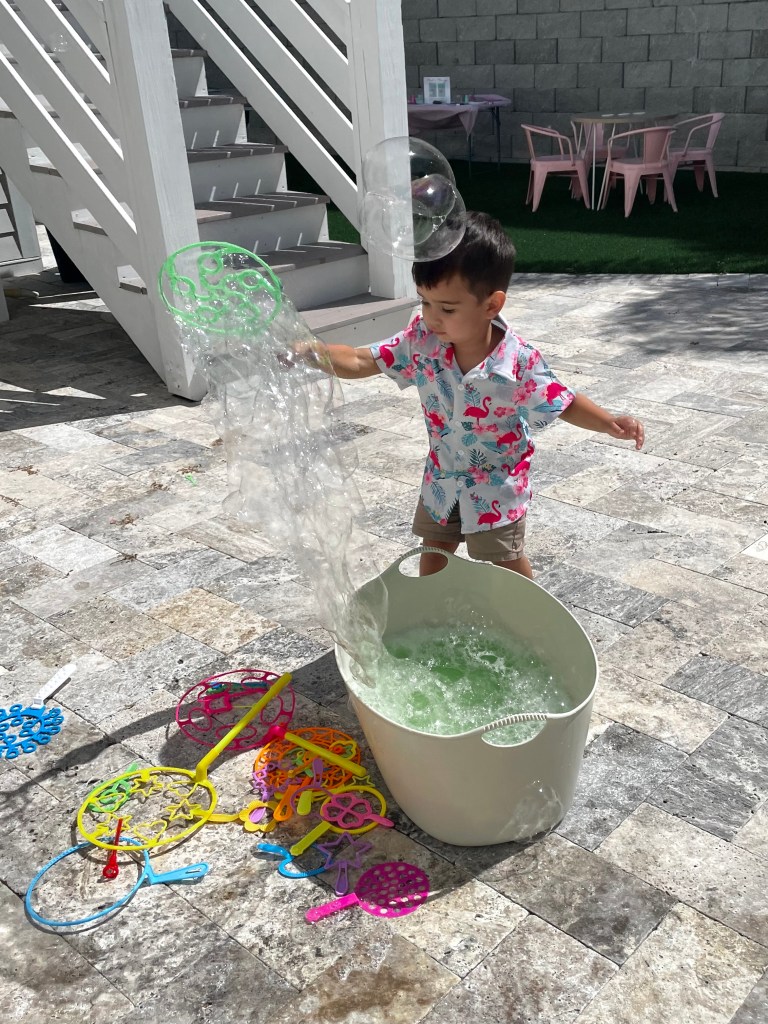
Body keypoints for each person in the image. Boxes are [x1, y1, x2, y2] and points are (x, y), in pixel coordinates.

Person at [295, 211, 644, 578]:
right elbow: (360, 360)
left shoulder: (518, 363)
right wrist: (312, 352)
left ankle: (531, 618)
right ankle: (435, 615)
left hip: (496, 487)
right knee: (433, 554)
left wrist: (608, 422)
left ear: (491, 305)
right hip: (442, 478)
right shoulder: (421, 342)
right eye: (425, 302)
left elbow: (563, 401)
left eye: (447, 308)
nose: (432, 317)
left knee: (505, 562)